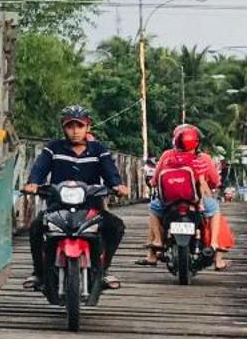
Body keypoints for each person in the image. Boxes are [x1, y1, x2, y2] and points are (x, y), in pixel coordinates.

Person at [22, 105, 127, 291]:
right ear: (64, 128)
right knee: (36, 227)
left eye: (79, 126)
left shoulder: (98, 150)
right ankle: (38, 272)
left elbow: (110, 171)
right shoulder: (53, 148)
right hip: (58, 206)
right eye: (70, 126)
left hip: (91, 206)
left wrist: (117, 185)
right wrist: (33, 182)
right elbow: (40, 167)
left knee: (116, 226)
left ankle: (103, 269)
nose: (75, 131)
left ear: (88, 127)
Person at [144, 123, 227, 270]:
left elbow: (155, 181)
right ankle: (214, 244)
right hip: (195, 200)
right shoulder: (203, 159)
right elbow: (214, 182)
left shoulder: (167, 156)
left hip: (169, 201)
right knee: (214, 210)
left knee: (153, 208)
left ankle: (157, 240)